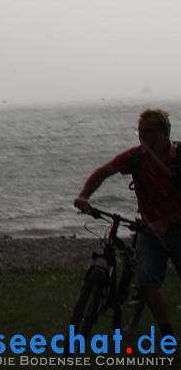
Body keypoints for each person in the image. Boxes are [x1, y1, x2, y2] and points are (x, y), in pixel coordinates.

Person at [74, 108, 179, 341]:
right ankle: (168, 336)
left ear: (164, 133)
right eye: (139, 131)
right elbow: (102, 173)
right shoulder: (135, 157)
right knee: (147, 282)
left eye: (148, 131)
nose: (142, 136)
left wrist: (167, 221)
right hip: (150, 232)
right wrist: (84, 196)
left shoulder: (178, 158)